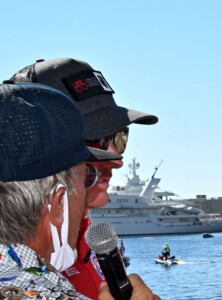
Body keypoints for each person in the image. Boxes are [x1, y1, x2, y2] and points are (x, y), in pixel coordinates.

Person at [10, 58, 158, 299]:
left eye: (119, 137)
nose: (116, 159)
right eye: (94, 141)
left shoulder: (92, 240)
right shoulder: (23, 256)